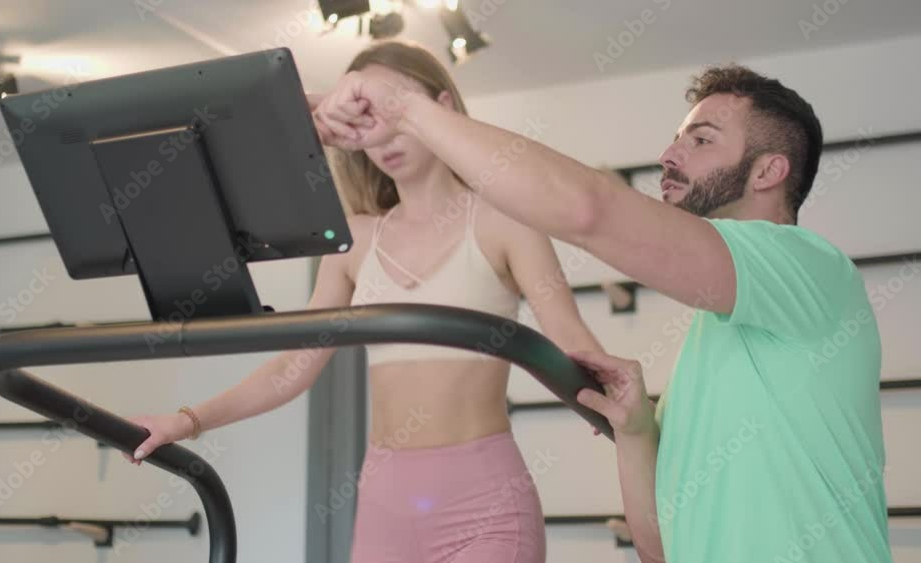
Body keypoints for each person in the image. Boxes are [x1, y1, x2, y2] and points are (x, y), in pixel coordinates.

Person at [313, 64, 891, 562]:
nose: (669, 155)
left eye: (701, 140)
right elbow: (658, 547)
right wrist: (637, 432)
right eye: (676, 138)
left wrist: (408, 109)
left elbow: (590, 211)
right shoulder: (707, 350)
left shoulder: (811, 267)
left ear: (768, 172)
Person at [124, 40, 605, 563]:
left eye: (391, 110)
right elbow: (292, 368)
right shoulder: (354, 242)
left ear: (442, 106)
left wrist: (635, 428)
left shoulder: (505, 223)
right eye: (363, 120)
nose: (382, 135)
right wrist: (186, 421)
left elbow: (572, 341)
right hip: (383, 509)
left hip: (484, 506)